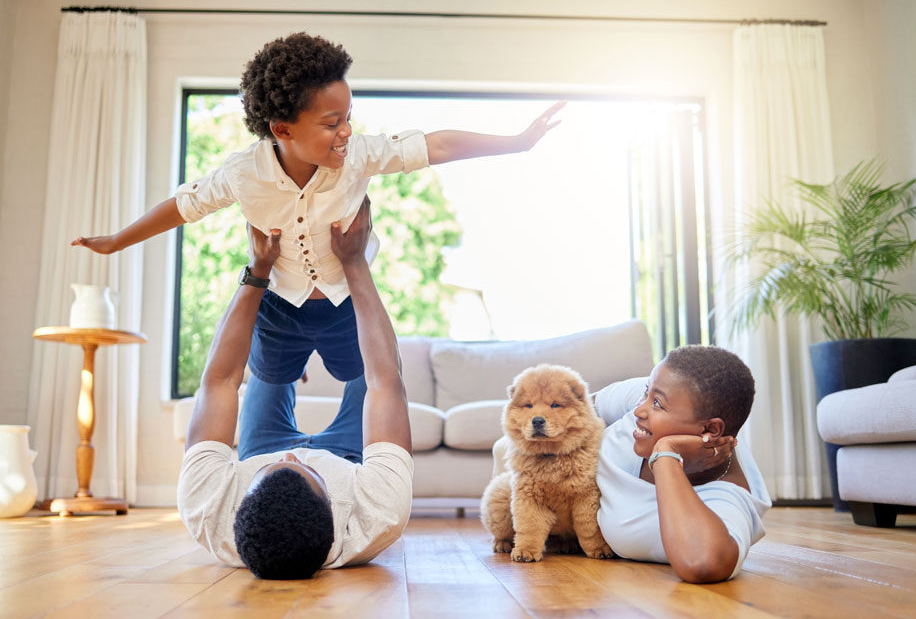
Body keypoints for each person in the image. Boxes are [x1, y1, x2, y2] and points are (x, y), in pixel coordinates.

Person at [72, 31, 564, 462]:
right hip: (279, 307)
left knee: (369, 377)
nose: (346, 131)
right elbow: (183, 206)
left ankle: (346, 451)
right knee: (270, 374)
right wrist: (117, 242)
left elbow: (437, 146)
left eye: (348, 116)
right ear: (282, 130)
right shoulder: (244, 174)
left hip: (342, 304)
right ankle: (282, 400)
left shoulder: (360, 155)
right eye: (332, 123)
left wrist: (517, 142)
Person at [177, 196, 415, 579]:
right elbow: (385, 381)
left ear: (241, 502)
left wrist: (258, 269)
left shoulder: (208, 509)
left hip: (260, 449)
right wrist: (354, 262)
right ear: (335, 507)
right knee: (368, 379)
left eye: (275, 468)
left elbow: (219, 381)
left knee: (265, 373)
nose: (292, 457)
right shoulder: (378, 514)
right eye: (307, 470)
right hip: (348, 462)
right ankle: (304, 340)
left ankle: (286, 356)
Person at [593, 345, 771, 583]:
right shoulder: (655, 394)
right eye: (647, 393)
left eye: (657, 404)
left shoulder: (727, 496)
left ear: (709, 429)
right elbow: (572, 405)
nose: (639, 409)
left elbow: (702, 563)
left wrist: (666, 455)